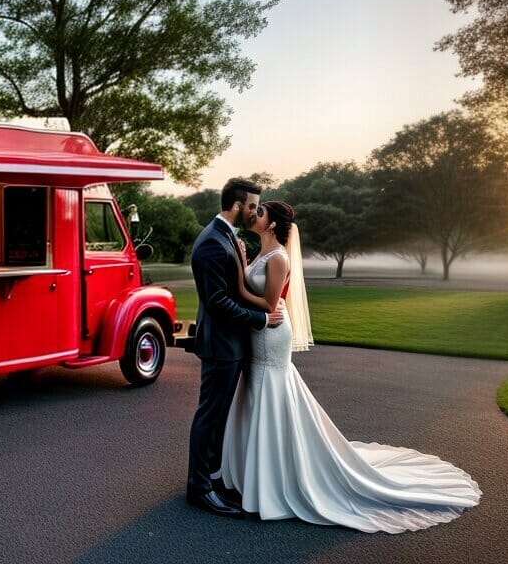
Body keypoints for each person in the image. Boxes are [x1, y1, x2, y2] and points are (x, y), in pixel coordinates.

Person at [220, 201, 482, 533]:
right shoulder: (261, 253)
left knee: (271, 394)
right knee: (257, 395)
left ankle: (273, 480)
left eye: (260, 213)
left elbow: (270, 305)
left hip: (271, 336)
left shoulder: (280, 258)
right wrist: (243, 264)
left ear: (272, 225)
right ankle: (255, 474)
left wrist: (241, 286)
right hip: (258, 335)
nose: (253, 216)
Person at [187, 179, 283, 519]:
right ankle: (199, 489)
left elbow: (233, 286)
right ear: (237, 205)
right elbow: (217, 302)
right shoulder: (213, 242)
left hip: (232, 344)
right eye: (253, 206)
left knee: (219, 416)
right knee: (209, 415)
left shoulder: (226, 235)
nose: (256, 211)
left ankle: (212, 476)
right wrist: (260, 318)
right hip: (221, 345)